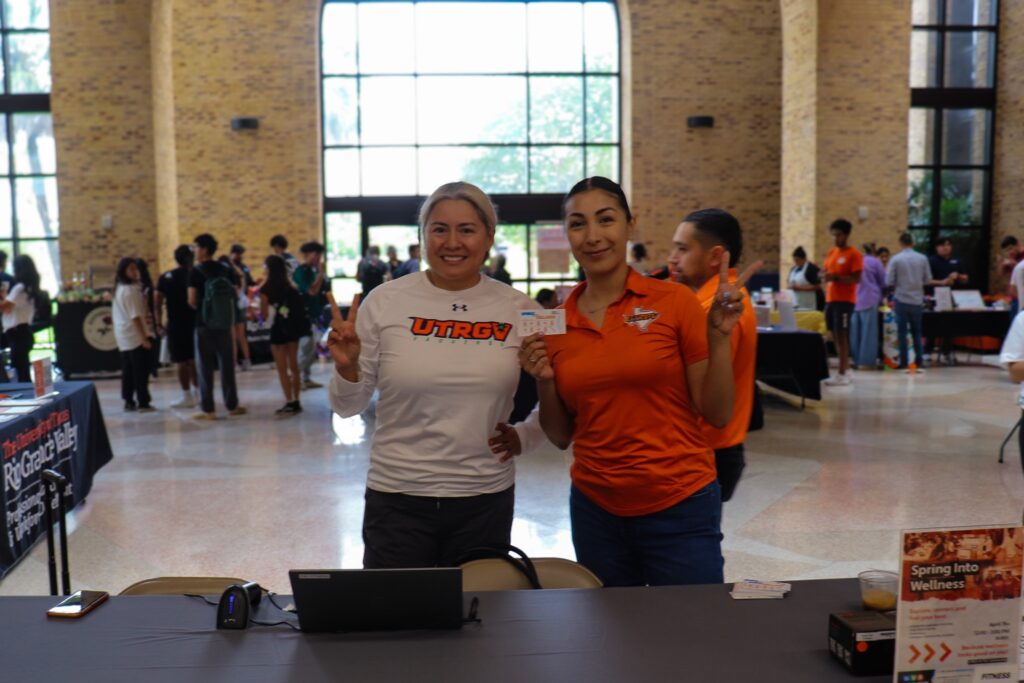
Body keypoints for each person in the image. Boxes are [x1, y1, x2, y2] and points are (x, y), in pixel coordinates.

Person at [519, 176, 753, 587]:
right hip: (596, 512)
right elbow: (559, 436)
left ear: (630, 225)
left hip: (680, 503)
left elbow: (717, 414)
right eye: (578, 224)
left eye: (605, 220)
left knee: (690, 633)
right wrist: (543, 380)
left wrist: (718, 337)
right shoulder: (555, 322)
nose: (593, 236)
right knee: (613, 640)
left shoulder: (674, 301)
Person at [327, 181, 546, 569]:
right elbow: (348, 408)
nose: (452, 242)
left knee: (477, 620)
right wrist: (347, 370)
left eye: (467, 229)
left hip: (484, 498)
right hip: (397, 498)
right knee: (396, 623)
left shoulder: (522, 310)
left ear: (489, 236)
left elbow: (559, 394)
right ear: (423, 235)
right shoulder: (385, 301)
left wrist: (525, 436)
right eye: (439, 229)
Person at [667, 208, 758, 503]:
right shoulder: (714, 300)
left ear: (716, 256)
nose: (673, 258)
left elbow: (703, 395)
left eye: (682, 248)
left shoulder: (717, 310)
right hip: (712, 447)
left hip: (705, 450)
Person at [188, 233, 247, 419]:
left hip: (203, 324)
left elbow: (191, 301)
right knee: (227, 364)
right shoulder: (225, 269)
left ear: (204, 249)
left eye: (196, 247)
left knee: (204, 367)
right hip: (224, 323)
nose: (194, 251)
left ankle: (209, 410)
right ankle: (232, 405)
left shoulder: (195, 271)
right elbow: (235, 294)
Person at [261, 255, 309, 414]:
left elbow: (264, 313)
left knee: (282, 369)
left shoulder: (266, 288)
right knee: (294, 366)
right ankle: (297, 400)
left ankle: (289, 401)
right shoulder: (291, 287)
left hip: (277, 330)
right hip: (292, 329)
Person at [155, 245, 198, 408]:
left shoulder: (166, 277)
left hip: (175, 323)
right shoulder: (196, 274)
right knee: (194, 359)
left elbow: (157, 303)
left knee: (181, 361)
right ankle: (198, 393)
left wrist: (158, 323)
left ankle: (186, 395)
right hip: (195, 322)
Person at [822, 219, 863, 386]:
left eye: (838, 235)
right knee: (834, 334)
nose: (835, 238)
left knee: (842, 334)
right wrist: (824, 276)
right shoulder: (832, 252)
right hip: (831, 298)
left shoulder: (853, 254)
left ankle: (842, 372)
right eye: (833, 235)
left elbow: (856, 278)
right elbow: (827, 271)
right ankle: (845, 368)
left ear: (846, 235)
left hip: (845, 300)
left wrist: (836, 278)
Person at [112, 257, 155, 412]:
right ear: (124, 271)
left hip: (124, 336)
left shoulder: (121, 288)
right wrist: (143, 338)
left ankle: (129, 400)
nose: (135, 272)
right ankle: (143, 401)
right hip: (134, 336)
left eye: (136, 269)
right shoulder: (129, 290)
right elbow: (135, 317)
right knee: (140, 371)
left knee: (129, 370)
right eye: (131, 269)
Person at [886, 232, 933, 371]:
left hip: (901, 299)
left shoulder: (896, 259)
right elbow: (927, 279)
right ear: (913, 243)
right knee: (917, 332)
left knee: (901, 332)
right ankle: (919, 361)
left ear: (900, 243)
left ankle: (904, 362)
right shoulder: (922, 258)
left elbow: (889, 281)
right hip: (917, 300)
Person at [293, 241, 328, 389]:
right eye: (317, 254)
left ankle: (305, 377)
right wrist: (321, 273)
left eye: (320, 255)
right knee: (306, 347)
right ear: (308, 254)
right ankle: (298, 378)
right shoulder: (302, 271)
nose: (319, 258)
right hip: (302, 314)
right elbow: (311, 291)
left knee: (311, 347)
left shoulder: (311, 271)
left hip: (313, 314)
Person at [0, 255, 39, 383]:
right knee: (22, 368)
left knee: (21, 370)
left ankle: (27, 399)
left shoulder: (19, 288)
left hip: (18, 333)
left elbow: (5, 306)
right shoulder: (29, 287)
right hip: (22, 331)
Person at [850, 243, 886, 370]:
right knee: (868, 333)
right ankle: (866, 362)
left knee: (855, 333)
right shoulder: (875, 262)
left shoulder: (854, 261)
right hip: (870, 299)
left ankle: (855, 359)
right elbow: (883, 281)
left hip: (854, 300)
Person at [219, 254, 252, 371]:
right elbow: (243, 277)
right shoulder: (237, 275)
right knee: (242, 336)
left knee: (232, 337)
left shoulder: (223, 277)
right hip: (239, 306)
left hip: (229, 307)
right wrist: (233, 265)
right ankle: (247, 361)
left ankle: (234, 364)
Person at [787, 246, 822, 311]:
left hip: (810, 303)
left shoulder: (811, 269)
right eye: (794, 260)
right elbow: (789, 282)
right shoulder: (793, 269)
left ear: (804, 259)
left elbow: (817, 286)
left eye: (797, 260)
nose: (796, 262)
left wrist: (799, 288)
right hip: (797, 303)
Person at [1000, 236, 1022, 317]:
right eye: (1007, 250)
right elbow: (1002, 275)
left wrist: (1015, 264)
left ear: (1018, 244)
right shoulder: (1012, 256)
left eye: (1011, 248)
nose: (1010, 252)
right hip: (1013, 297)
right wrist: (1002, 264)